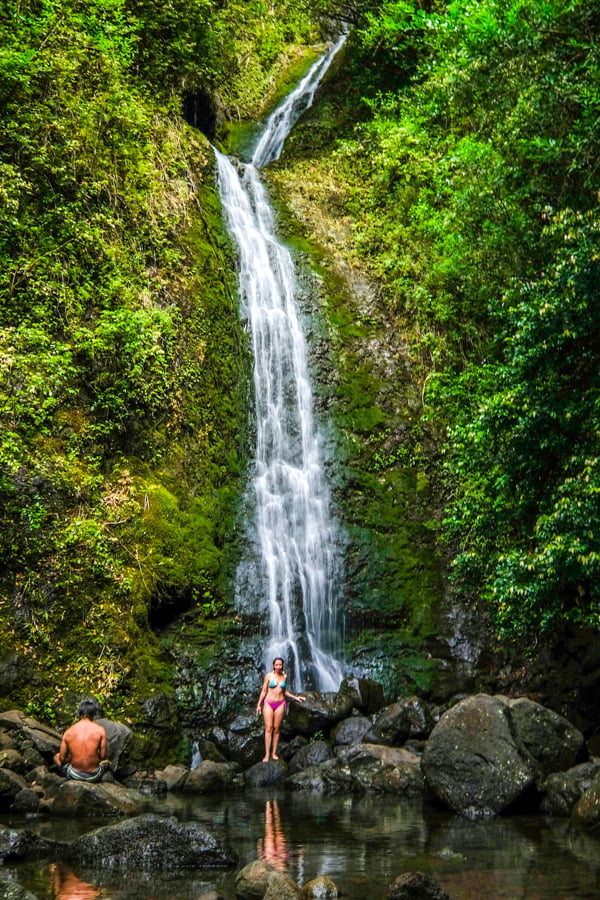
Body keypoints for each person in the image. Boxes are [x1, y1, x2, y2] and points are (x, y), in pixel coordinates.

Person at [256, 657, 305, 762]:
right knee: (268, 728)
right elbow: (264, 691)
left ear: (282, 665)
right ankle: (266, 754)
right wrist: (259, 704)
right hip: (268, 703)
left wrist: (295, 697)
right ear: (274, 665)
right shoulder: (268, 676)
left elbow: (284, 692)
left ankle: (274, 753)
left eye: (280, 664)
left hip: (280, 703)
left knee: (277, 728)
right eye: (276, 664)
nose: (278, 666)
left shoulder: (284, 676)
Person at [53, 698, 109, 783]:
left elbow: (62, 758)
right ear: (94, 715)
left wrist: (71, 757)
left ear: (79, 714)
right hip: (94, 775)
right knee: (106, 762)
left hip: (74, 774)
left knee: (56, 756)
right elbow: (103, 756)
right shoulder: (100, 730)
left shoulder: (69, 731)